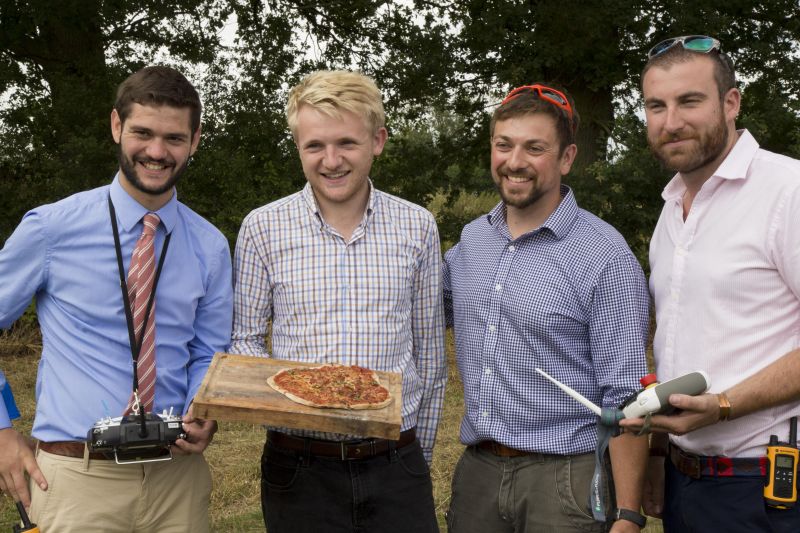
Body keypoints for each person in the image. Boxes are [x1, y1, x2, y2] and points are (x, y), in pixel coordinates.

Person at [0, 66, 233, 532]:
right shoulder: (51, 229)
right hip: (76, 477)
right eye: (143, 133)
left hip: (177, 480)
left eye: (174, 138)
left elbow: (208, 352)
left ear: (195, 140)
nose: (156, 151)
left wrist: (202, 409)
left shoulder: (210, 245)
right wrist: (3, 434)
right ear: (115, 126)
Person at [230, 69, 446, 533]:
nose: (331, 161)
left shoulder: (418, 227)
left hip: (395, 463)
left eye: (347, 143)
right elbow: (244, 340)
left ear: (377, 140)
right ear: (299, 147)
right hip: (299, 466)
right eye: (315, 146)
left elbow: (428, 354)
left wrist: (416, 456)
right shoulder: (262, 228)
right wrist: (298, 398)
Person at [443, 83, 651, 532]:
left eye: (534, 148)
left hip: (565, 482)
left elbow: (627, 397)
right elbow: (415, 311)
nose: (515, 161)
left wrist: (629, 516)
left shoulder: (605, 256)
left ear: (567, 157)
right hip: (478, 473)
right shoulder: (472, 241)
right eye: (504, 145)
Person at [617, 35, 800, 532]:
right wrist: (657, 453)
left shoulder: (787, 192)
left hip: (767, 488)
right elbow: (680, 343)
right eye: (656, 105)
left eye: (689, 101)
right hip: (685, 482)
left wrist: (722, 407)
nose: (670, 122)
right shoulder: (671, 210)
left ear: (731, 102)